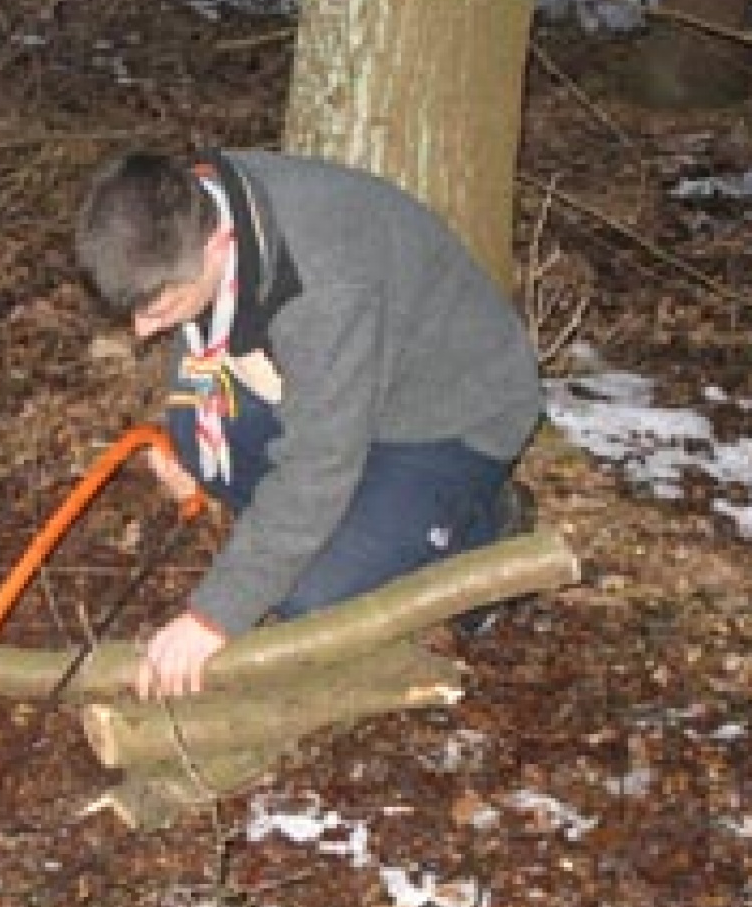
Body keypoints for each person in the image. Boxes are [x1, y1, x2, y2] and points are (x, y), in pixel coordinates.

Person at [75, 149, 542, 700]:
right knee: (197, 441)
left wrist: (213, 616)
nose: (144, 330)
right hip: (356, 390)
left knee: (311, 595)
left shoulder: (323, 281)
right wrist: (198, 437)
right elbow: (206, 346)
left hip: (451, 414)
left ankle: (486, 523)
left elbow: (319, 462)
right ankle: (329, 527)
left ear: (216, 245)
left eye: (160, 307)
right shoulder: (190, 203)